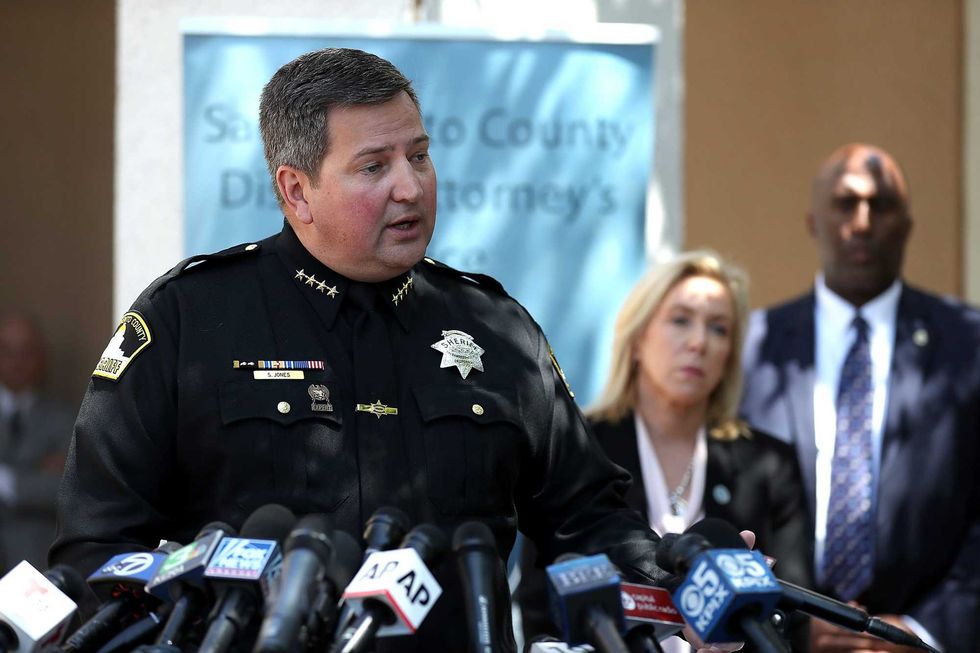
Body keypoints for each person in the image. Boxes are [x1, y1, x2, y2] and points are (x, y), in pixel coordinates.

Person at [49, 48, 737, 652]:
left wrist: (679, 584)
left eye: (419, 155)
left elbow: (586, 519)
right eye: (374, 166)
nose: (410, 187)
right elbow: (99, 549)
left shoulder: (494, 325)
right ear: (296, 191)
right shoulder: (188, 319)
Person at [740, 143, 980, 652]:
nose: (863, 222)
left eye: (882, 205)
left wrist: (921, 631)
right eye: (846, 203)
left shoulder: (968, 344)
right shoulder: (754, 347)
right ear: (813, 222)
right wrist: (790, 622)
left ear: (907, 227)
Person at [516, 251, 812, 651]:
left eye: (719, 328)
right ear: (639, 337)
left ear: (729, 355)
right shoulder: (579, 443)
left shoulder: (770, 464)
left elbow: (792, 619)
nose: (699, 342)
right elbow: (540, 606)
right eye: (680, 320)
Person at [0, 312, 74, 572]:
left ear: (42, 357)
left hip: (36, 562)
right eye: (7, 351)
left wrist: (8, 482)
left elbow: (64, 489)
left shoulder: (65, 419)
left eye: (26, 351)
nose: (17, 362)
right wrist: (34, 475)